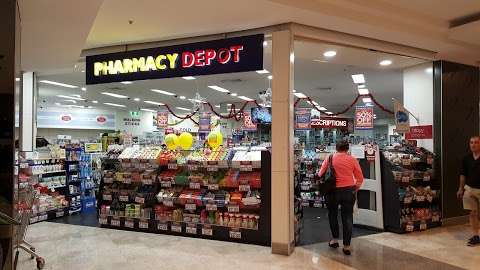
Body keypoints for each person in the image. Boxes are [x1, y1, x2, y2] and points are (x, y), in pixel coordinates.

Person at [318, 139, 364, 255]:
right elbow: (360, 178)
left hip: (332, 191)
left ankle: (334, 240)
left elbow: (320, 174)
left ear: (336, 148)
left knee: (332, 214)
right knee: (347, 217)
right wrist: (355, 188)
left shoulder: (330, 158)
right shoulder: (352, 159)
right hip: (349, 190)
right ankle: (347, 246)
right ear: (347, 149)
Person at [457, 136, 480, 246]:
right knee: (473, 213)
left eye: (476, 142)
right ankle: (476, 236)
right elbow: (463, 175)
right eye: (471, 143)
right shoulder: (466, 159)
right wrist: (460, 188)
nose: (473, 144)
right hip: (470, 189)